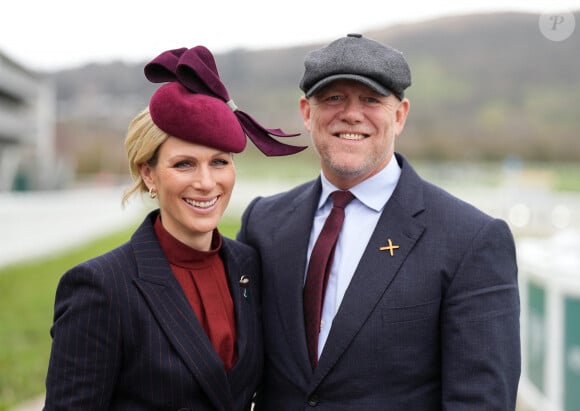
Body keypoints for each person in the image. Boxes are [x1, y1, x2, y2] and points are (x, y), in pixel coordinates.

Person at [237, 33, 520, 410]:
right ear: (307, 112)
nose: (351, 114)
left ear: (400, 115)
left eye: (371, 99)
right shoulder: (263, 223)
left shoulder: (471, 239)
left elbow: (481, 402)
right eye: (333, 98)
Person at [43, 45, 304, 411]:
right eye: (184, 164)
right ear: (148, 173)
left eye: (219, 162)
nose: (206, 182)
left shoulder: (248, 266)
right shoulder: (101, 287)